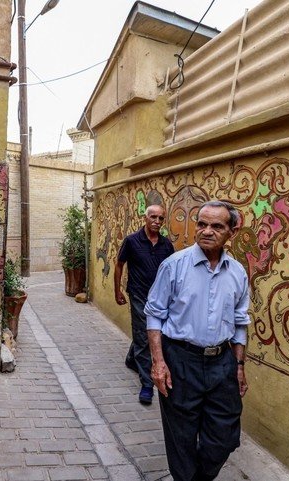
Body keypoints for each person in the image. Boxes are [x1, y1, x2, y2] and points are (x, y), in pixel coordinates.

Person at [144, 200, 250, 481]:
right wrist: (158, 363)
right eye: (202, 224)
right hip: (180, 359)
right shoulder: (174, 266)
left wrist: (239, 365)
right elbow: (154, 315)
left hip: (222, 363)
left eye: (217, 226)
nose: (206, 231)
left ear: (231, 232)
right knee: (182, 436)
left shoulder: (238, 273)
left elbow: (240, 322)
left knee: (224, 437)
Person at [114, 204, 174, 404]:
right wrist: (117, 291)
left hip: (160, 298)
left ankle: (132, 359)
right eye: (153, 217)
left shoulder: (166, 245)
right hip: (139, 294)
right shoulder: (132, 241)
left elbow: (172, 273)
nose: (157, 222)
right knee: (142, 334)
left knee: (150, 332)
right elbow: (119, 265)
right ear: (145, 218)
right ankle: (147, 384)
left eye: (161, 219)